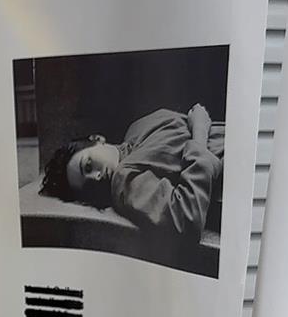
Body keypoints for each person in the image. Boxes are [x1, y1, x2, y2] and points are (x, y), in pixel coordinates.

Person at [39, 103, 224, 246]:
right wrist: (200, 129)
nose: (97, 177)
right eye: (88, 188)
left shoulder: (137, 127)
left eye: (88, 166)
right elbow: (185, 217)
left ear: (97, 139)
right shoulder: (124, 181)